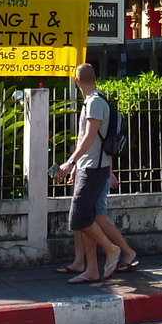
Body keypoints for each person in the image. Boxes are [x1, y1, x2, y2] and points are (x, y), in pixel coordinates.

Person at [54, 63, 124, 283]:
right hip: (89, 166)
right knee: (86, 218)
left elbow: (90, 137)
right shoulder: (95, 100)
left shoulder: (94, 103)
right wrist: (77, 165)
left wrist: (70, 162)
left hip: (93, 168)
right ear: (95, 78)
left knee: (79, 217)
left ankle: (112, 250)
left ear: (77, 81)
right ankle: (91, 269)